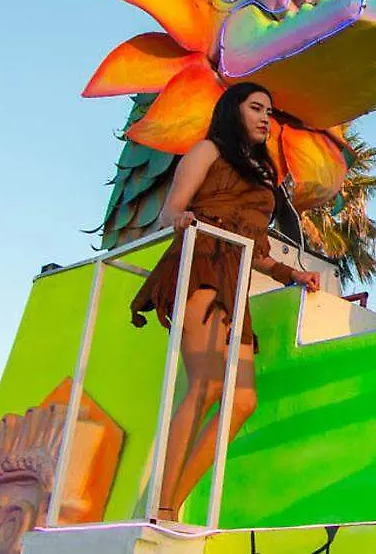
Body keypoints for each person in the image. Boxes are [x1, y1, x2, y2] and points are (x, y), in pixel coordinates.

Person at [130, 82, 321, 520]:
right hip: (199, 261)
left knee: (243, 400)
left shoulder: (260, 175)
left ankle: (169, 502)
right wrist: (183, 218)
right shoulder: (207, 151)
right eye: (256, 108)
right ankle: (162, 507)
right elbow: (171, 210)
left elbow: (260, 252)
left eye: (268, 112)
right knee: (207, 382)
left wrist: (293, 273)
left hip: (235, 278)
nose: (264, 118)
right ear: (233, 110)